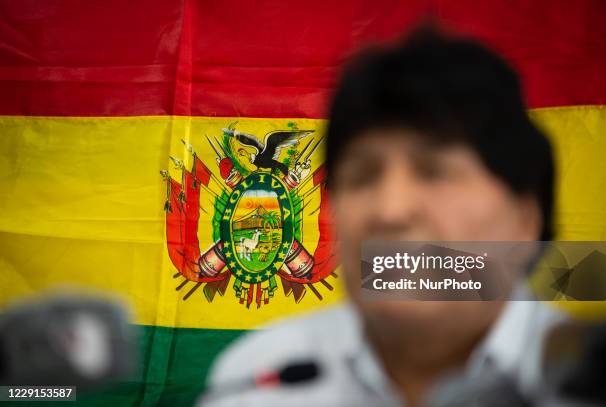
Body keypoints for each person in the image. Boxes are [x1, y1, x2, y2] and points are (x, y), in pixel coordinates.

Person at [200, 26, 563, 406]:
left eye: (434, 172)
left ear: (526, 218)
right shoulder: (257, 377)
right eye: (362, 177)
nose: (390, 211)